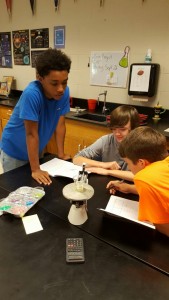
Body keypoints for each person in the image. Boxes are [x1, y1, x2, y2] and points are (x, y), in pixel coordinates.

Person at [0, 48, 72, 185]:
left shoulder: (63, 93)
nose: (61, 88)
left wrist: (61, 154)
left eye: (64, 82)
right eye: (54, 83)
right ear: (40, 78)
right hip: (15, 151)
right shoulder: (32, 94)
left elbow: (60, 123)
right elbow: (31, 134)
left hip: (34, 150)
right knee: (16, 194)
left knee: (35, 190)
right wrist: (35, 169)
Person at [107, 126, 169, 237]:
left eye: (128, 163)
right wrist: (130, 188)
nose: (129, 168)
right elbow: (161, 190)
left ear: (141, 163)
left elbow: (164, 227)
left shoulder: (145, 178)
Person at [73, 105, 140, 183]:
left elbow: (141, 177)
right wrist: (103, 165)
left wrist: (108, 171)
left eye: (122, 129)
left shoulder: (141, 145)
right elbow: (77, 159)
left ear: (133, 128)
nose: (117, 133)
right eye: (114, 129)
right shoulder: (106, 140)